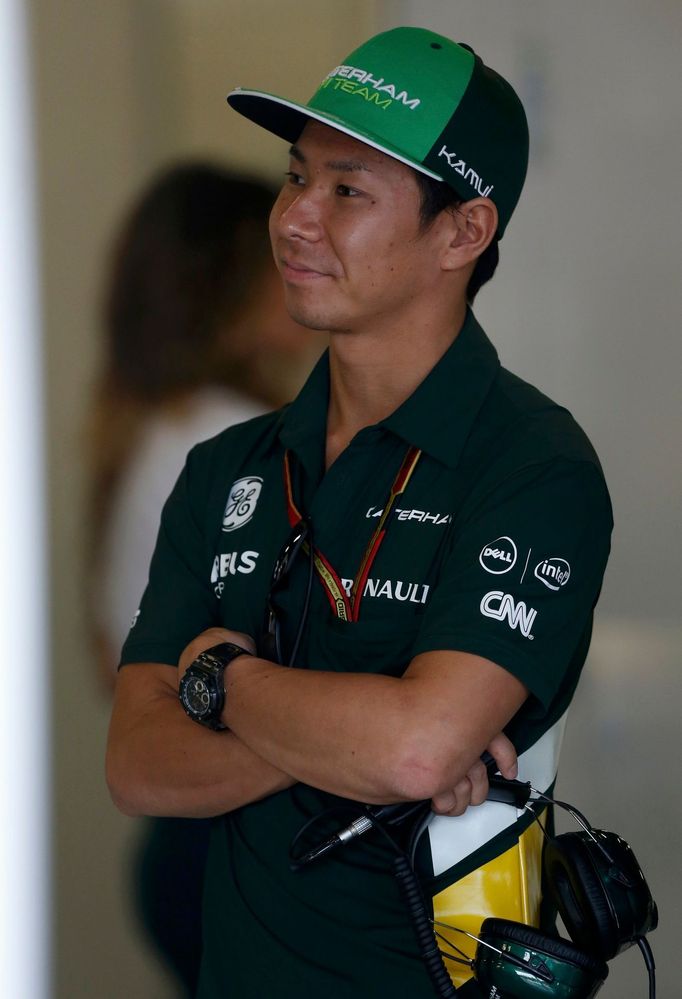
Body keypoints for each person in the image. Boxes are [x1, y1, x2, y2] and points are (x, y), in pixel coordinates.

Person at [106, 27, 613, 998]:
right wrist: (369, 745)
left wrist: (217, 678)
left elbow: (418, 743)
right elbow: (136, 764)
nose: (294, 217)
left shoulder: (531, 465)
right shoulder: (228, 466)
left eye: (346, 190)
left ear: (462, 232)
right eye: (295, 176)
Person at [88, 162, 310, 994]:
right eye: (274, 247)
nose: (304, 245)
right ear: (224, 283)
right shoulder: (234, 444)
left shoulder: (156, 426)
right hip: (228, 840)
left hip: (186, 842)